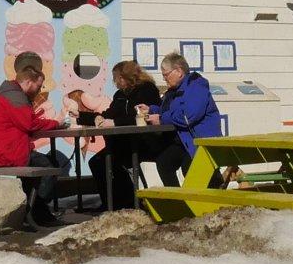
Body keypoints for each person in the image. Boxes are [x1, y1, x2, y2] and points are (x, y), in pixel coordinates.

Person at [0, 52, 66, 228]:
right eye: (38, 86)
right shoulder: (16, 98)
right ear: (28, 82)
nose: (39, 91)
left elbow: (22, 123)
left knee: (41, 161)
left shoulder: (5, 93)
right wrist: (57, 122)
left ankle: (30, 209)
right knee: (52, 166)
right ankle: (37, 212)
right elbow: (29, 124)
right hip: (6, 153)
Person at [91, 59, 163, 208]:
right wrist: (95, 117)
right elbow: (110, 113)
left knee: (113, 161)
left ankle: (127, 202)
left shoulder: (147, 90)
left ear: (123, 78)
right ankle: (111, 202)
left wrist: (115, 123)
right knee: (97, 162)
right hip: (124, 141)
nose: (115, 83)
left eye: (116, 79)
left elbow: (141, 117)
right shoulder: (120, 95)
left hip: (144, 141)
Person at [146, 51, 226, 185]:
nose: (164, 78)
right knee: (164, 162)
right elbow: (169, 111)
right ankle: (178, 201)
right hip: (185, 141)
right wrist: (151, 110)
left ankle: (211, 191)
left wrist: (160, 119)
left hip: (201, 142)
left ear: (179, 71)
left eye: (166, 74)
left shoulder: (196, 86)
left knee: (188, 168)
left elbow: (187, 117)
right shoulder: (174, 91)